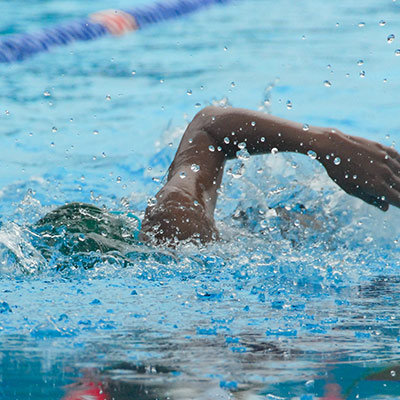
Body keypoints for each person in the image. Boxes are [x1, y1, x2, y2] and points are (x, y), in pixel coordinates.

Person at [37, 106, 400, 250]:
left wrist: (327, 144)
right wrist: (325, 143)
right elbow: (210, 128)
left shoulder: (174, 229)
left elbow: (212, 128)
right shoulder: (176, 231)